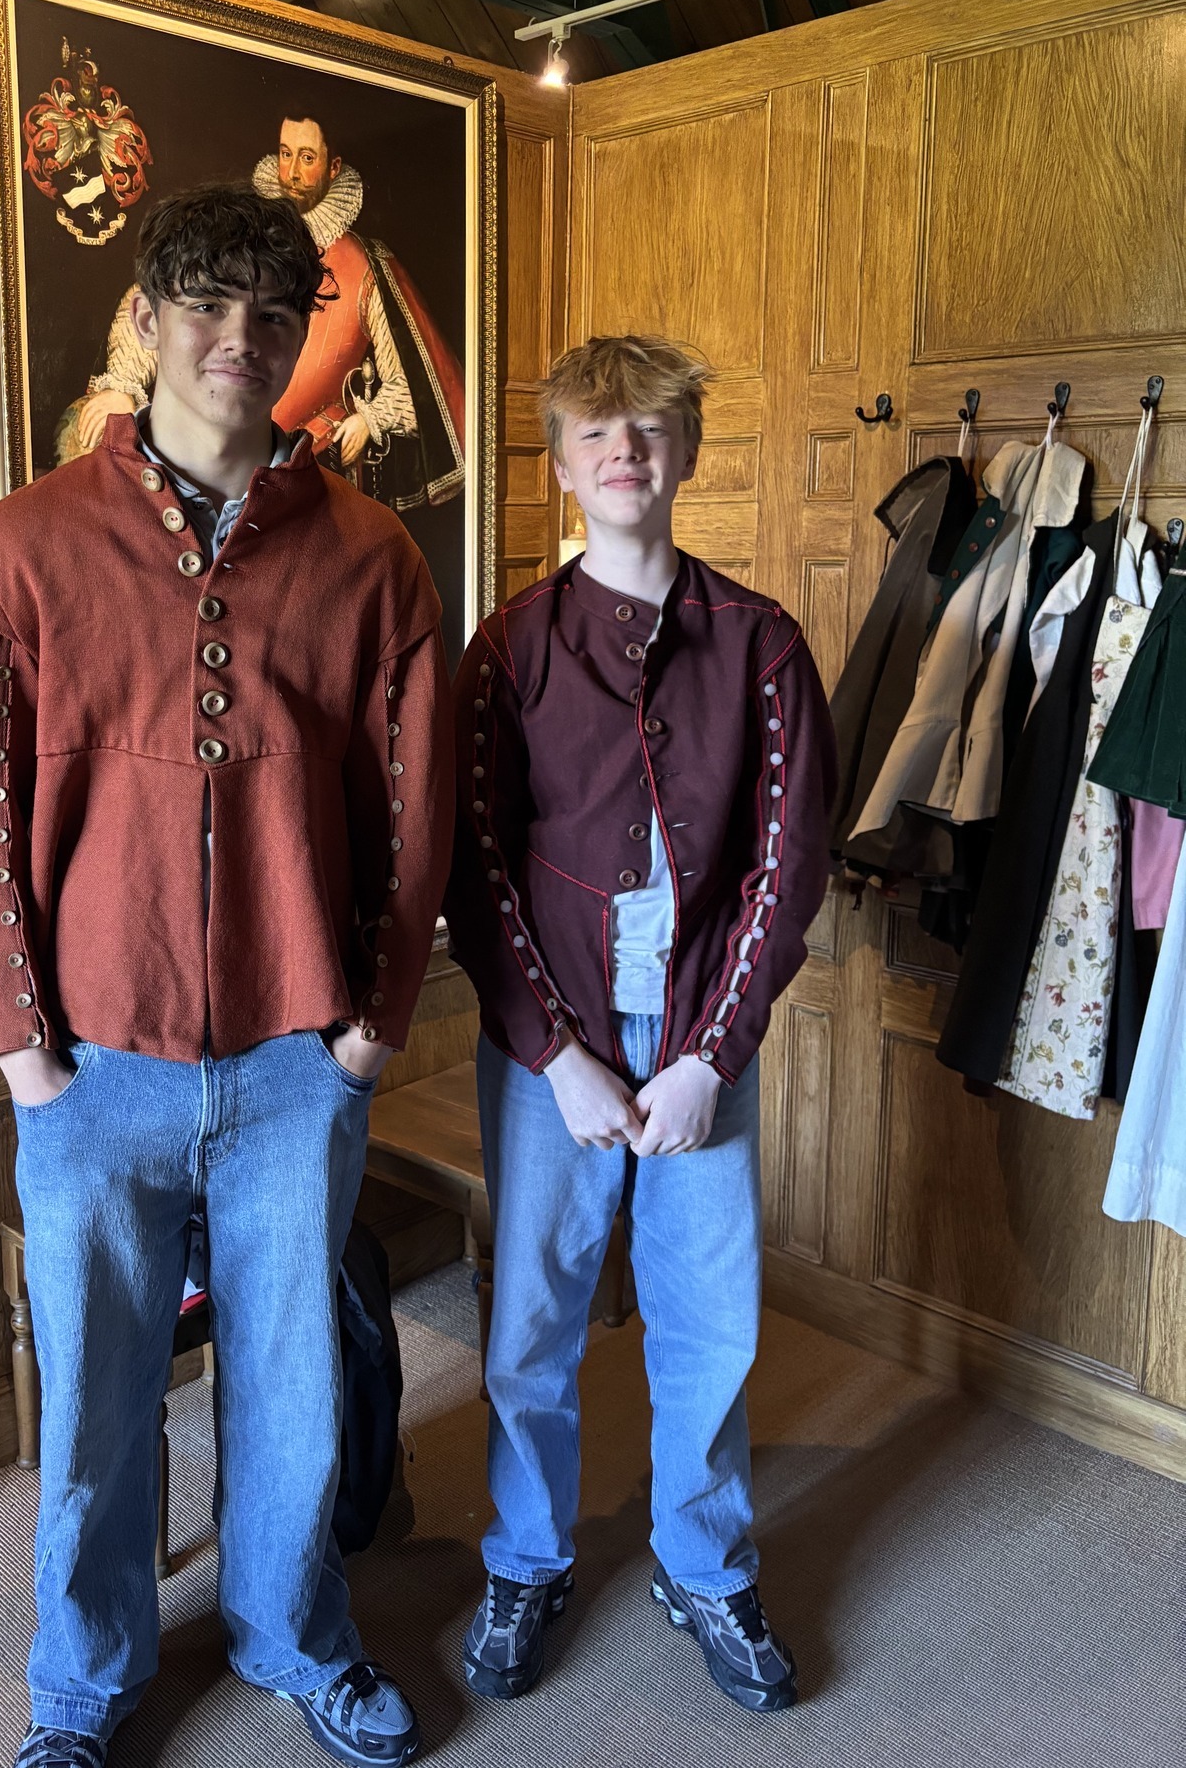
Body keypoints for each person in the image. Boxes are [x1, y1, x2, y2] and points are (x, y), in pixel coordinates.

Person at [0, 184, 453, 1768]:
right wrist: (19, 1046)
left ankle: (294, 1634)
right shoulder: (18, 553)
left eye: (274, 312)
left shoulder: (374, 559)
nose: (242, 336)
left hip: (300, 1064)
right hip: (89, 1066)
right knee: (97, 1402)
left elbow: (417, 810)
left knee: (294, 1386)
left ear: (301, 340)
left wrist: (370, 1030)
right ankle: (83, 1685)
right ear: (148, 320)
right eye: (209, 305)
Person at [443, 335, 835, 1716]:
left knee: (708, 1321)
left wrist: (709, 1059)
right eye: (598, 433)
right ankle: (527, 1557)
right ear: (562, 464)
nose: (625, 451)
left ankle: (704, 1561)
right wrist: (555, 1055)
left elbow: (787, 865)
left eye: (650, 430)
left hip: (698, 1037)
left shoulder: (762, 644)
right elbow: (475, 865)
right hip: (550, 1041)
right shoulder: (509, 648)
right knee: (532, 1320)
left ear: (686, 454)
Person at [60, 114, 465, 517]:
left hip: (313, 475)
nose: (240, 340)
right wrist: (123, 385)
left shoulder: (364, 265)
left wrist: (369, 419)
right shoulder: (224, 238)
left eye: (307, 157)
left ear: (333, 167)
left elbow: (410, 384)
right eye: (208, 307)